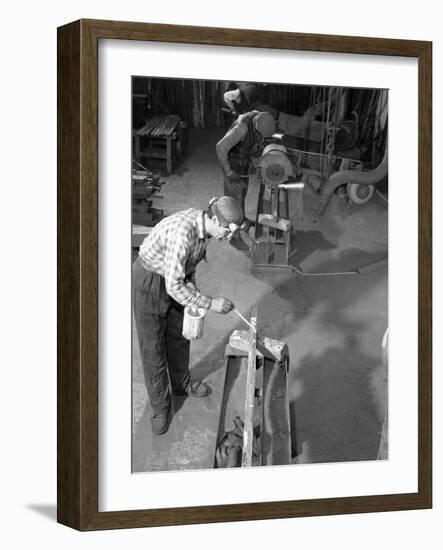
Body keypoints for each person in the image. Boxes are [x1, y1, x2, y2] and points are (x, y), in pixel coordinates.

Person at [133, 196, 244, 435]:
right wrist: (210, 303)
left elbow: (186, 267)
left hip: (173, 278)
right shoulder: (182, 234)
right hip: (150, 282)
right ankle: (161, 407)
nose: (228, 237)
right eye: (227, 230)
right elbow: (174, 286)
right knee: (153, 349)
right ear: (215, 219)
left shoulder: (204, 228)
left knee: (179, 337)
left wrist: (192, 285)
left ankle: (181, 385)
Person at [216, 110, 276, 250]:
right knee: (233, 203)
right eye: (261, 136)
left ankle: (241, 220)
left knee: (241, 195)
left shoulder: (259, 117)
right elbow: (220, 147)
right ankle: (234, 237)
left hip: (243, 165)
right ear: (256, 127)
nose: (262, 139)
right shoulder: (241, 129)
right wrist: (229, 171)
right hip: (233, 166)